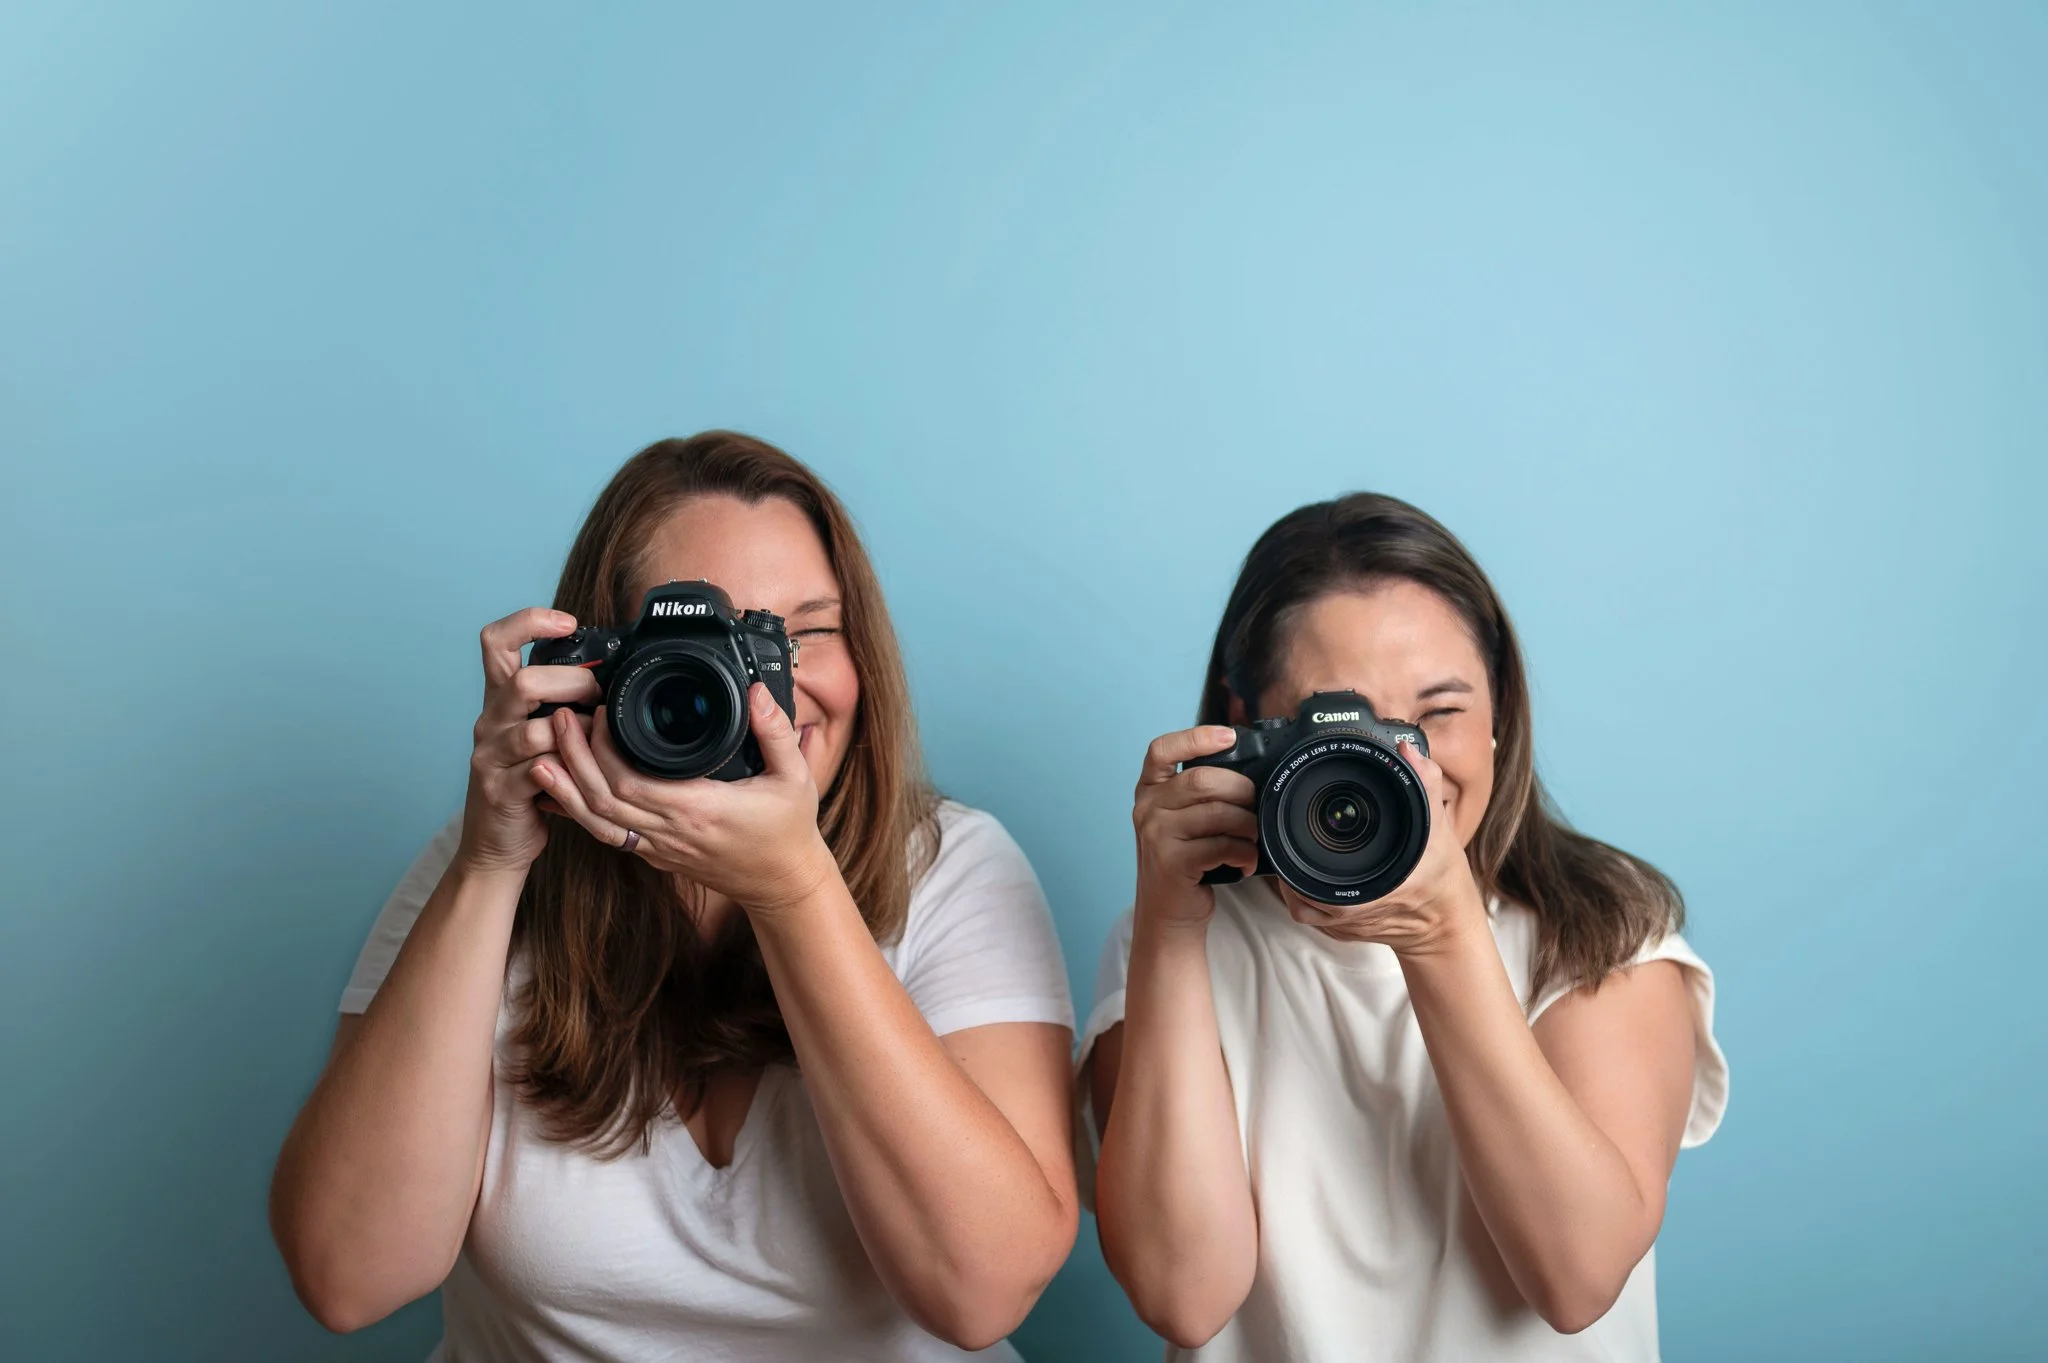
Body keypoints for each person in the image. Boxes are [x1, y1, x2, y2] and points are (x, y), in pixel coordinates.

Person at [271, 432, 1079, 1361]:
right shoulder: (484, 861)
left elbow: (983, 1291)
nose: (752, 688)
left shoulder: (952, 866)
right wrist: (490, 867)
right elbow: (347, 1274)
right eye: (699, 643)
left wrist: (795, 888)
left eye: (799, 631)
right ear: (595, 665)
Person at [1081, 493, 1729, 1362]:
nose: (1400, 763)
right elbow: (1181, 1294)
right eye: (1346, 723)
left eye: (1437, 714)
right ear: (1246, 725)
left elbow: (1577, 1279)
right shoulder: (1176, 940)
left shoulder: (1602, 926)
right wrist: (1167, 922)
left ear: (1500, 715)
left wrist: (1442, 932)